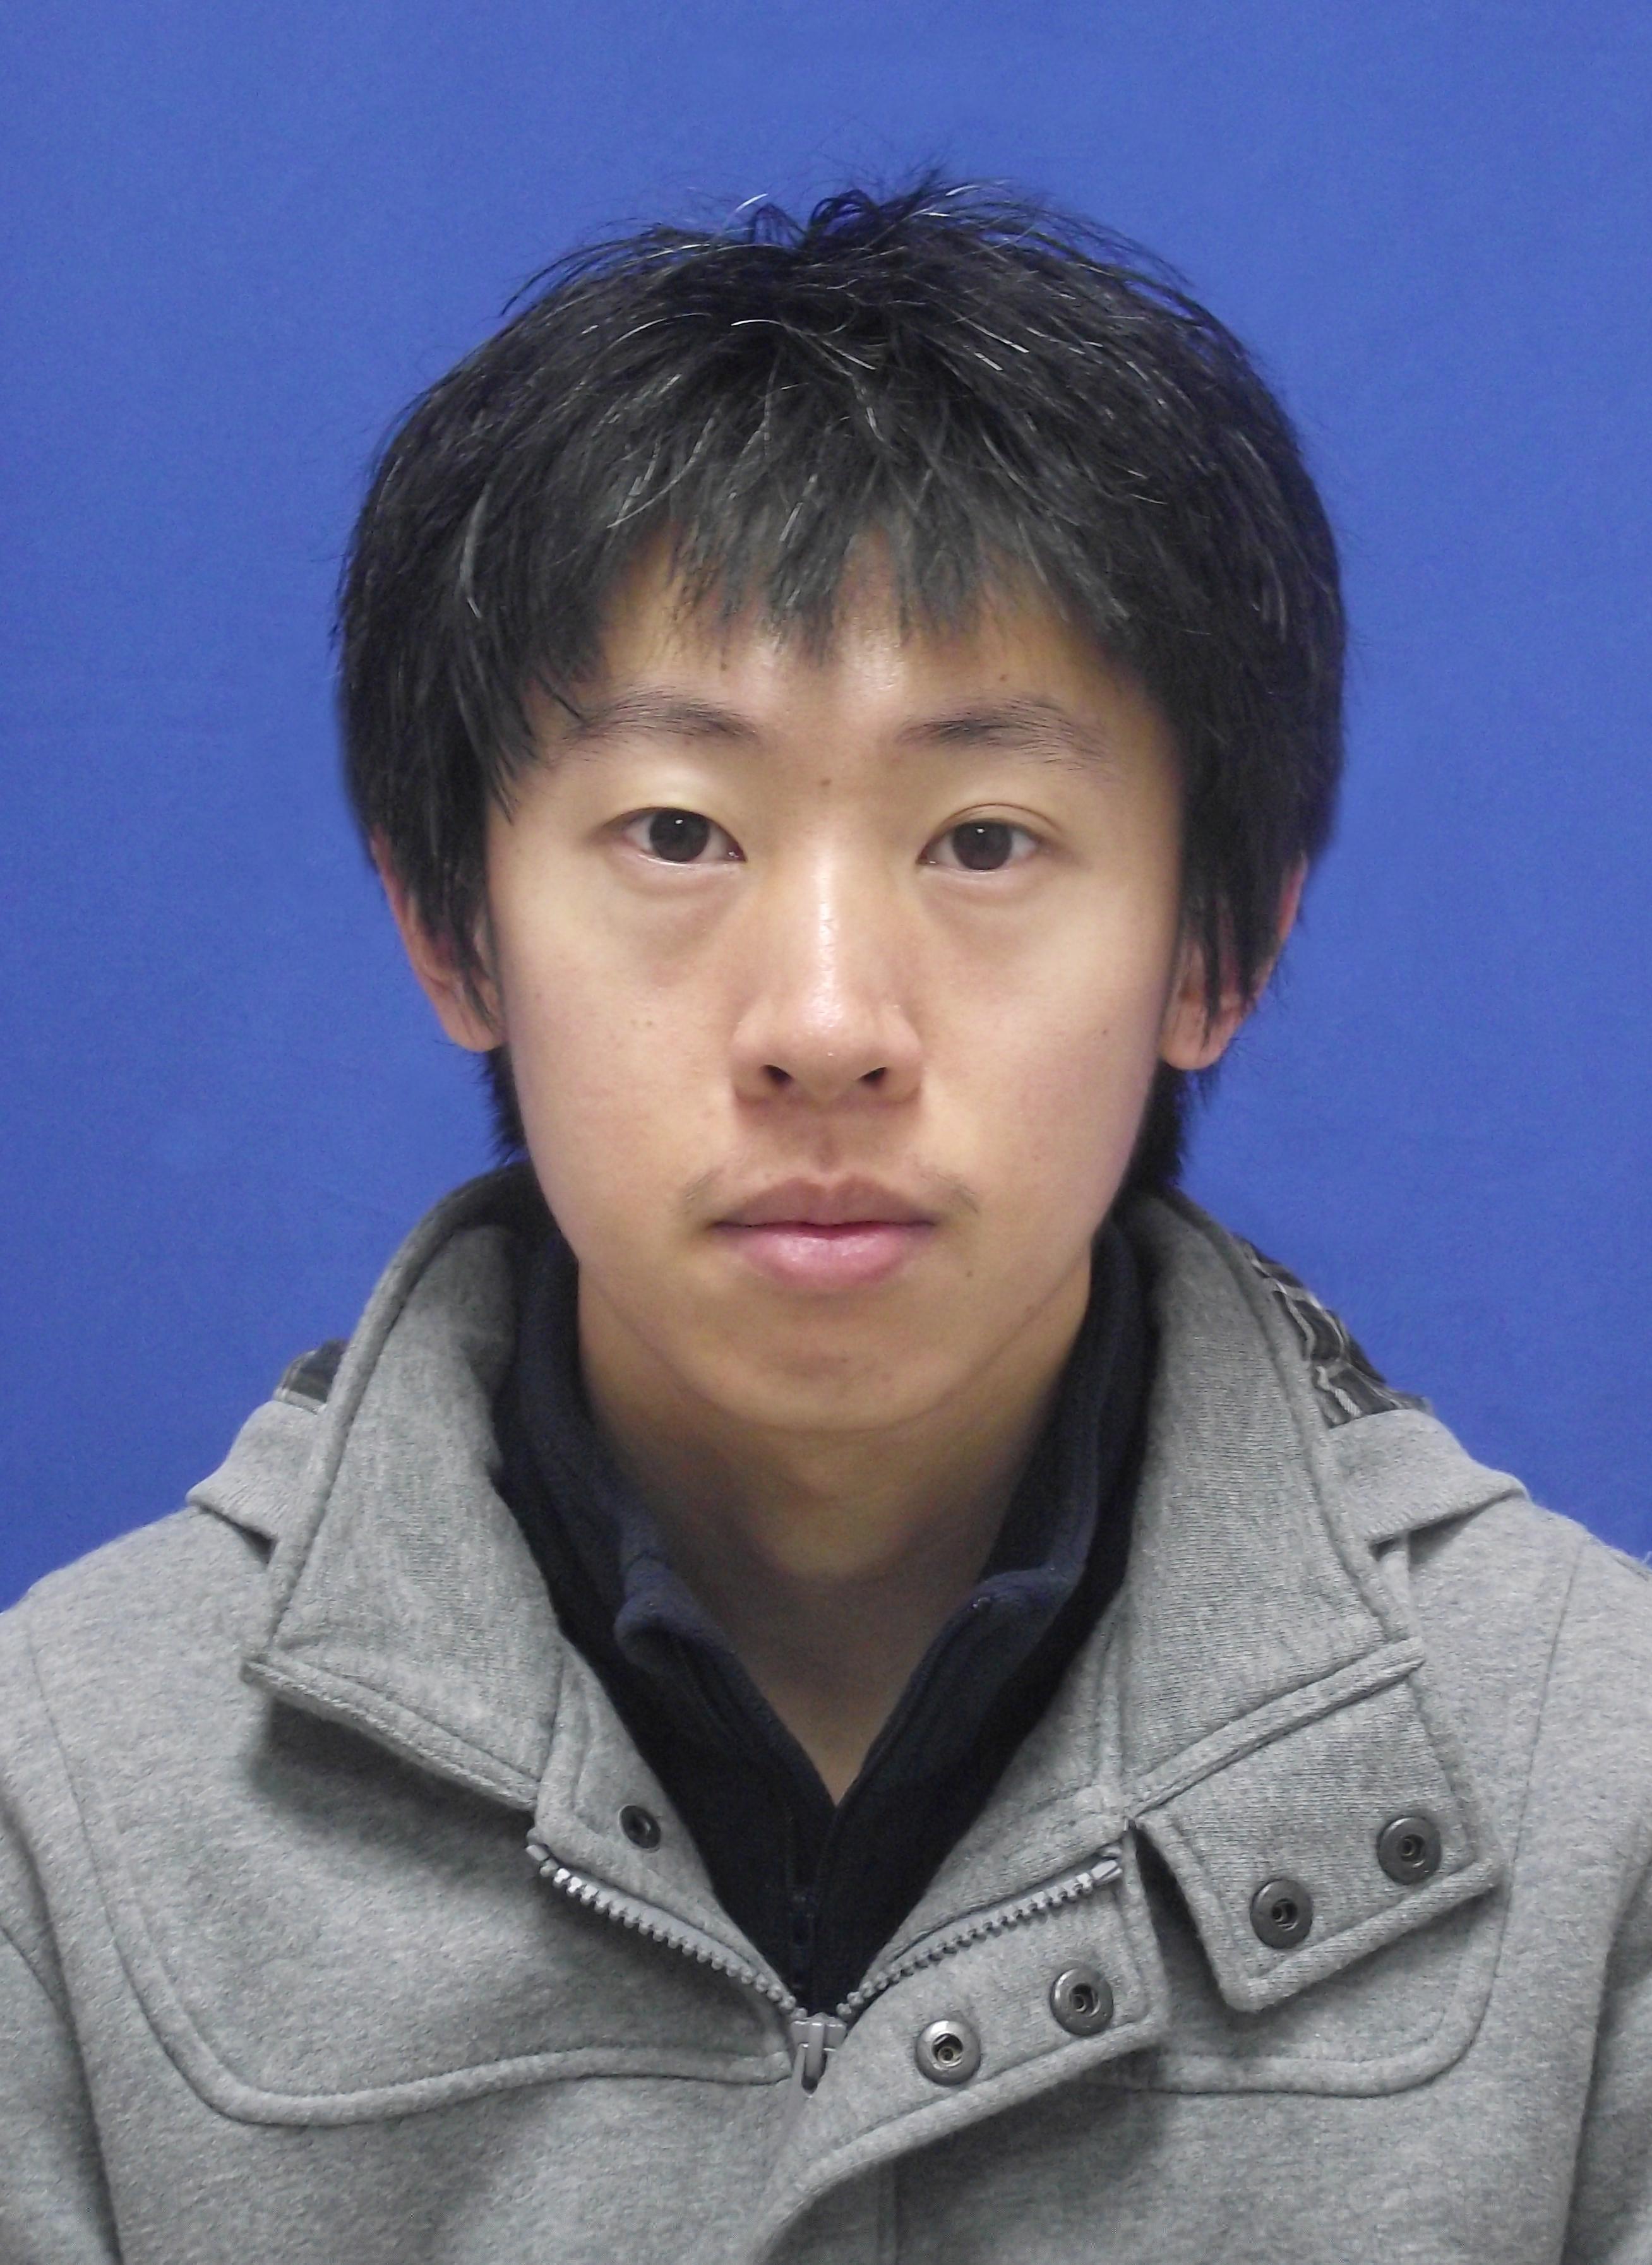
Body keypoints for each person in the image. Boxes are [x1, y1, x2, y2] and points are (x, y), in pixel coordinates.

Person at [2, 181, 1647, 2265]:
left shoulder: (1599, 1779)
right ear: (454, 927)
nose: (827, 1023)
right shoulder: (69, 1793)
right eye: (678, 830)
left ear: (1217, 946)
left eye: (987, 839)